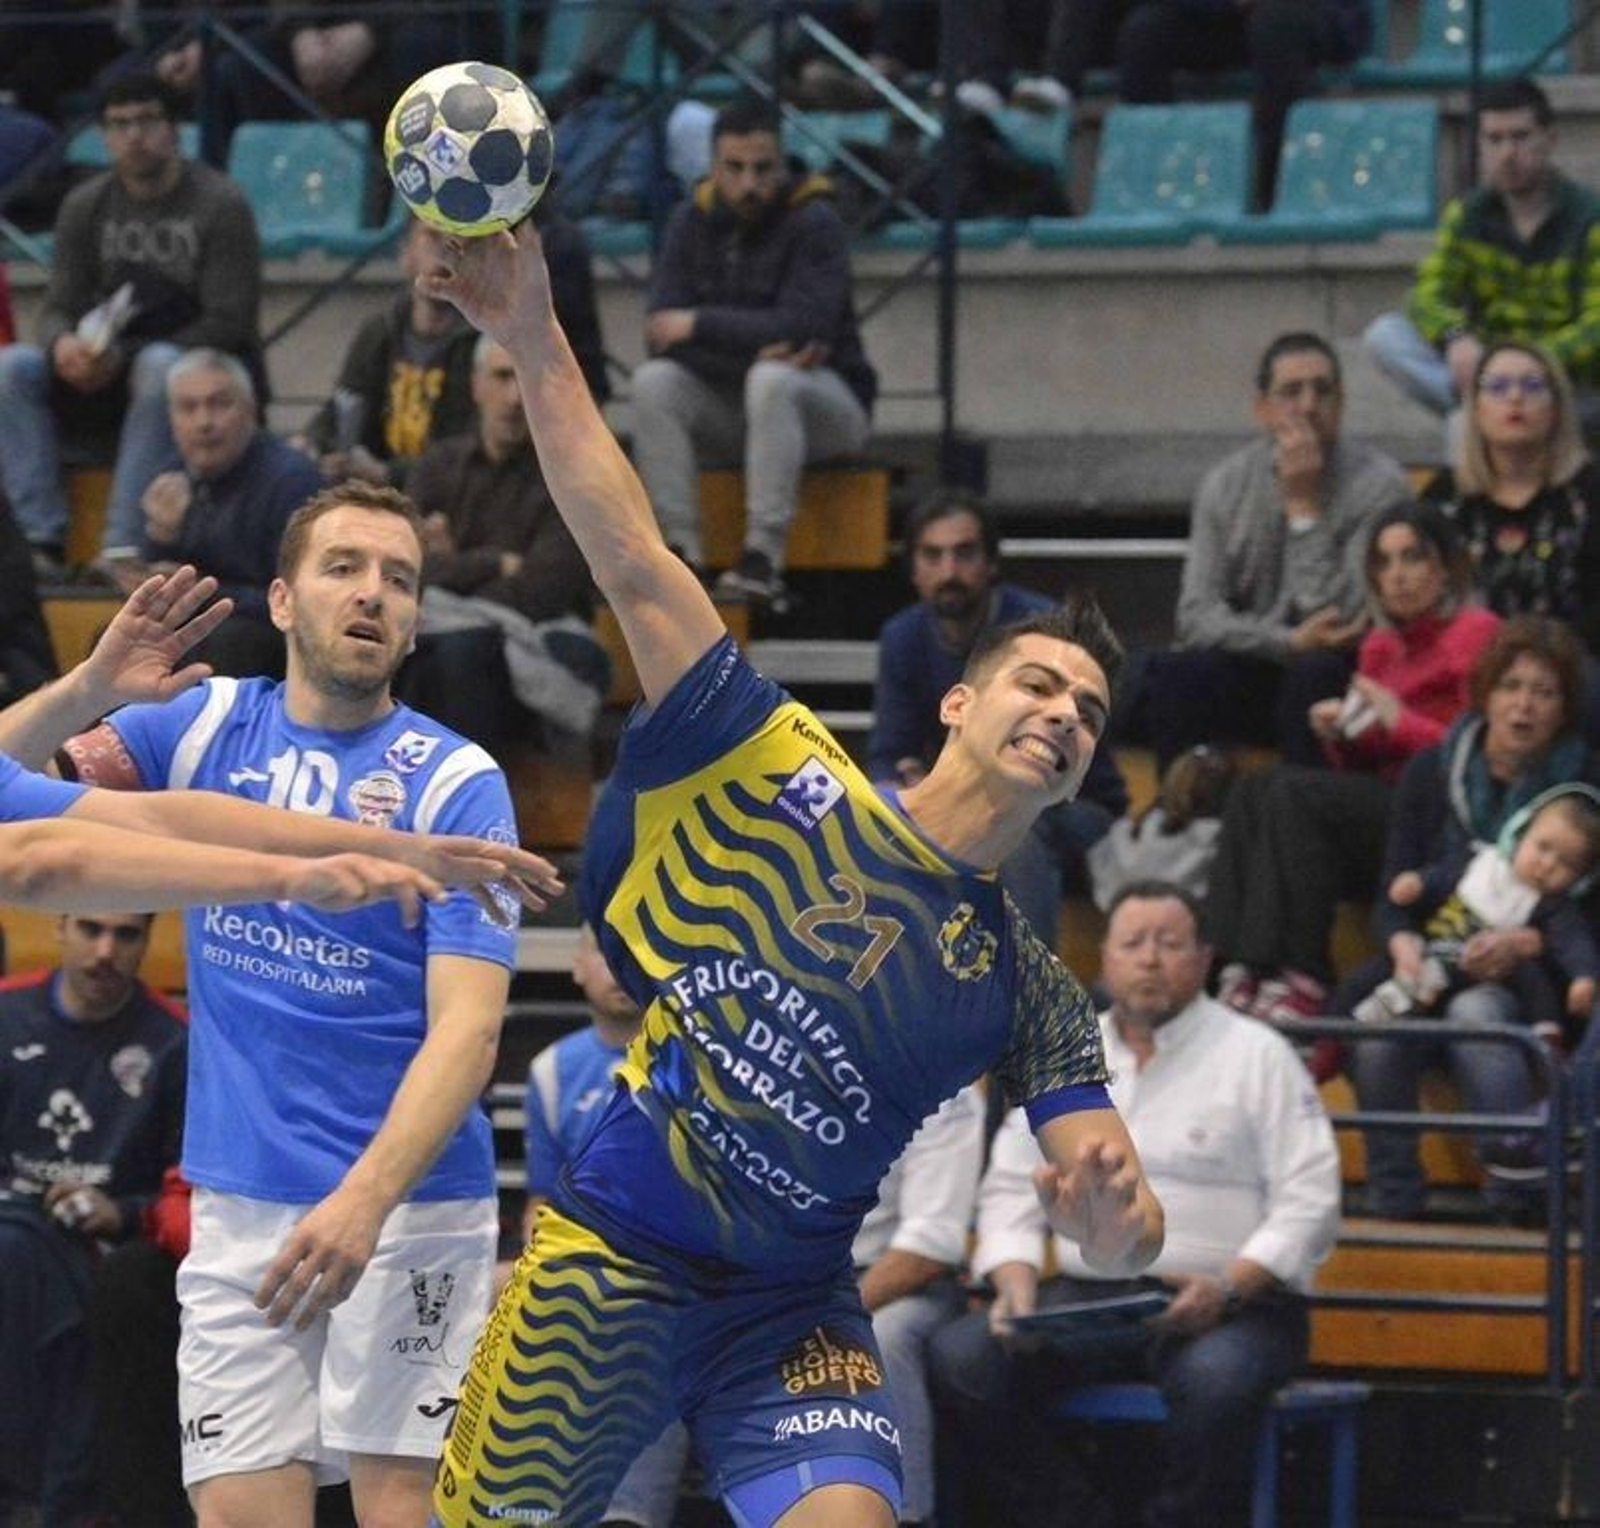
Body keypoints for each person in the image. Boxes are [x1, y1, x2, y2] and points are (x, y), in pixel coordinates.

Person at [418, 219, 1164, 1528]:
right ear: (957, 704)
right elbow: (631, 553)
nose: (1063, 713)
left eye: (1089, 713)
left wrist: (1105, 1224)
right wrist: (531, 333)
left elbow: (1122, 1209)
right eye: (1040, 684)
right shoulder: (778, 761)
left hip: (791, 1312)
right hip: (613, 1259)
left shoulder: (1025, 987)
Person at [21, 485, 551, 1528]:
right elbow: (7, 792)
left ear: (414, 623)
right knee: (239, 1514)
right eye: (344, 568)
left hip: (407, 1206)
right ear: (280, 599)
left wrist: (364, 1200)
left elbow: (470, 1028)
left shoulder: (457, 781)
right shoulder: (201, 722)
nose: (373, 595)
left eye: (399, 580)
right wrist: (85, 688)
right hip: (241, 1200)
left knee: (400, 1510)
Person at [928, 880, 1341, 1528]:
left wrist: (1229, 1285)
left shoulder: (1259, 1055)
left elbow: (1310, 1200)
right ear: (1105, 958)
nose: (1150, 959)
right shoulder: (1063, 1051)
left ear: (1204, 958)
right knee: (963, 1358)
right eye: (1133, 943)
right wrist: (1013, 1281)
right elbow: (1010, 1186)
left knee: (1216, 1382)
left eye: (1169, 943)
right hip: (1092, 1301)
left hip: (1234, 1307)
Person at [1205, 501, 1502, 1030]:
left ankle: (1303, 974)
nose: (1397, 575)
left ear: (1446, 568)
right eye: (1383, 563)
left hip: (1442, 819)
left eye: (1412, 557)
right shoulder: (1380, 647)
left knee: (1294, 793)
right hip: (1386, 804)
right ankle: (1234, 965)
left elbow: (1478, 752)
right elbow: (1367, 760)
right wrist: (1342, 734)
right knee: (1257, 786)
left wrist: (1398, 720)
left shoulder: (1476, 632)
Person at [1348, 616, 1599, 1220]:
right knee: (1378, 1035)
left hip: (1529, 980)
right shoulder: (1431, 771)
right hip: (1430, 958)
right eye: (1512, 686)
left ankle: (1517, 1195)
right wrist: (1402, 942)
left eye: (1544, 692)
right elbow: (1393, 895)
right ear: (1486, 692)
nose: (1524, 705)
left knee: (1477, 1015)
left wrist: (1531, 942)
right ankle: (1393, 1200)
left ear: (1565, 709)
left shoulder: (1586, 788)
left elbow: (1588, 917)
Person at [0, 73, 262, 578]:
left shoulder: (220, 203)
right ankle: (37, 538)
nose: (134, 135)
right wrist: (62, 345)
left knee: (161, 366)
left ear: (174, 129)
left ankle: (121, 547)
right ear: (103, 136)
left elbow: (230, 322)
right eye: (119, 124)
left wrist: (127, 355)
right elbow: (57, 307)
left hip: (188, 363)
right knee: (11, 368)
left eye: (146, 121)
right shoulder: (84, 204)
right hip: (99, 366)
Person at [1114, 332, 1411, 769]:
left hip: (1343, 673)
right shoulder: (1225, 485)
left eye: (1322, 391)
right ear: (1262, 408)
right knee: (1176, 674)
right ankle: (1180, 808)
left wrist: (1304, 509)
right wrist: (1284, 642)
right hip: (1256, 660)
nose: (1308, 405)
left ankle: (1299, 807)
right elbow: (1196, 616)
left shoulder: (1380, 485)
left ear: (1341, 403)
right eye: (1291, 392)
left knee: (1315, 671)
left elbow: (1337, 618)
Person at [630, 97, 877, 610]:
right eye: (735, 168)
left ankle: (762, 559)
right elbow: (659, 332)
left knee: (771, 380)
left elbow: (805, 327)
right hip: (735, 407)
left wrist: (699, 325)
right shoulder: (689, 220)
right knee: (654, 382)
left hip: (825, 408)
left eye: (763, 169)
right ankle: (681, 556)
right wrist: (756, 342)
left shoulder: (816, 221)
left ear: (783, 164)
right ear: (713, 166)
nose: (749, 183)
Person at [869, 491, 1129, 940]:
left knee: (1014, 815)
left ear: (991, 563)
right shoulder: (902, 636)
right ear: (914, 570)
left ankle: (1018, 978)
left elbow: (1071, 760)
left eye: (964, 554)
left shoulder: (1043, 632)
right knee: (885, 806)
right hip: (968, 792)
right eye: (933, 555)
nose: (949, 571)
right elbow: (888, 754)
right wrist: (911, 779)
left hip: (1076, 810)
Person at [0, 910, 186, 1527]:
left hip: (111, 1248)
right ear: (59, 926)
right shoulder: (6, 1014)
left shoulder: (174, 1040)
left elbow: (190, 1189)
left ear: (149, 938)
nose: (105, 951)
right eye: (90, 929)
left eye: (126, 934)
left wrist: (124, 1213)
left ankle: (47, 1502)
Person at [1364, 78, 1600, 440]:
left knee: (1465, 423)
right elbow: (1426, 295)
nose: (1507, 153)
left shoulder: (1589, 218)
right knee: (1384, 336)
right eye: (1494, 139)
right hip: (1489, 371)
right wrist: (1455, 336)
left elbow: (1596, 325)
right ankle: (1487, 409)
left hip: (1568, 384)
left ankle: (1485, 411)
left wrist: (1527, 365)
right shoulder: (1468, 215)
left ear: (1549, 139)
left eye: (1520, 137)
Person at [399, 335, 603, 751]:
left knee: (462, 651)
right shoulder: (437, 466)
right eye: (502, 377)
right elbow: (405, 570)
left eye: (525, 379)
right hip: (441, 631)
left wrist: (452, 566)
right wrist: (494, 563)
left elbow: (542, 591)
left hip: (530, 635)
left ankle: (466, 785)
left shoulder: (569, 477)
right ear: (476, 385)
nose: (514, 397)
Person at [1415, 342, 1600, 742]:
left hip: (1568, 668)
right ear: (1475, 408)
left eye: (1532, 386)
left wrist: (1541, 657)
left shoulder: (1589, 492)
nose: (1515, 398)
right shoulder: (1443, 497)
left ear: (1556, 406)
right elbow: (1418, 596)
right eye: (1498, 387)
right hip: (1462, 662)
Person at [107, 345, 325, 679]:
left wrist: (206, 592)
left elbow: (302, 601)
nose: (204, 422)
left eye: (220, 404)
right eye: (188, 408)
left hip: (268, 636)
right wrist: (159, 540)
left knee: (230, 642)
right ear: (171, 420)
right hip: (206, 624)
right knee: (115, 645)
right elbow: (163, 575)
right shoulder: (170, 475)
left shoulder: (291, 481)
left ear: (250, 411)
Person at [1354, 783, 1599, 1030]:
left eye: (1567, 864)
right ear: (1519, 832)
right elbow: (1442, 878)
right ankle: (1335, 1034)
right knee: (1368, 976)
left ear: (1581, 879)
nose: (1547, 865)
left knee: (1531, 977)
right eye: (1543, 847)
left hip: (1489, 976)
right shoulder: (1481, 862)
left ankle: (1545, 1030)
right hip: (1434, 950)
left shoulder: (1555, 908)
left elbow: (1574, 944)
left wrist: (1583, 978)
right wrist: (1416, 883)